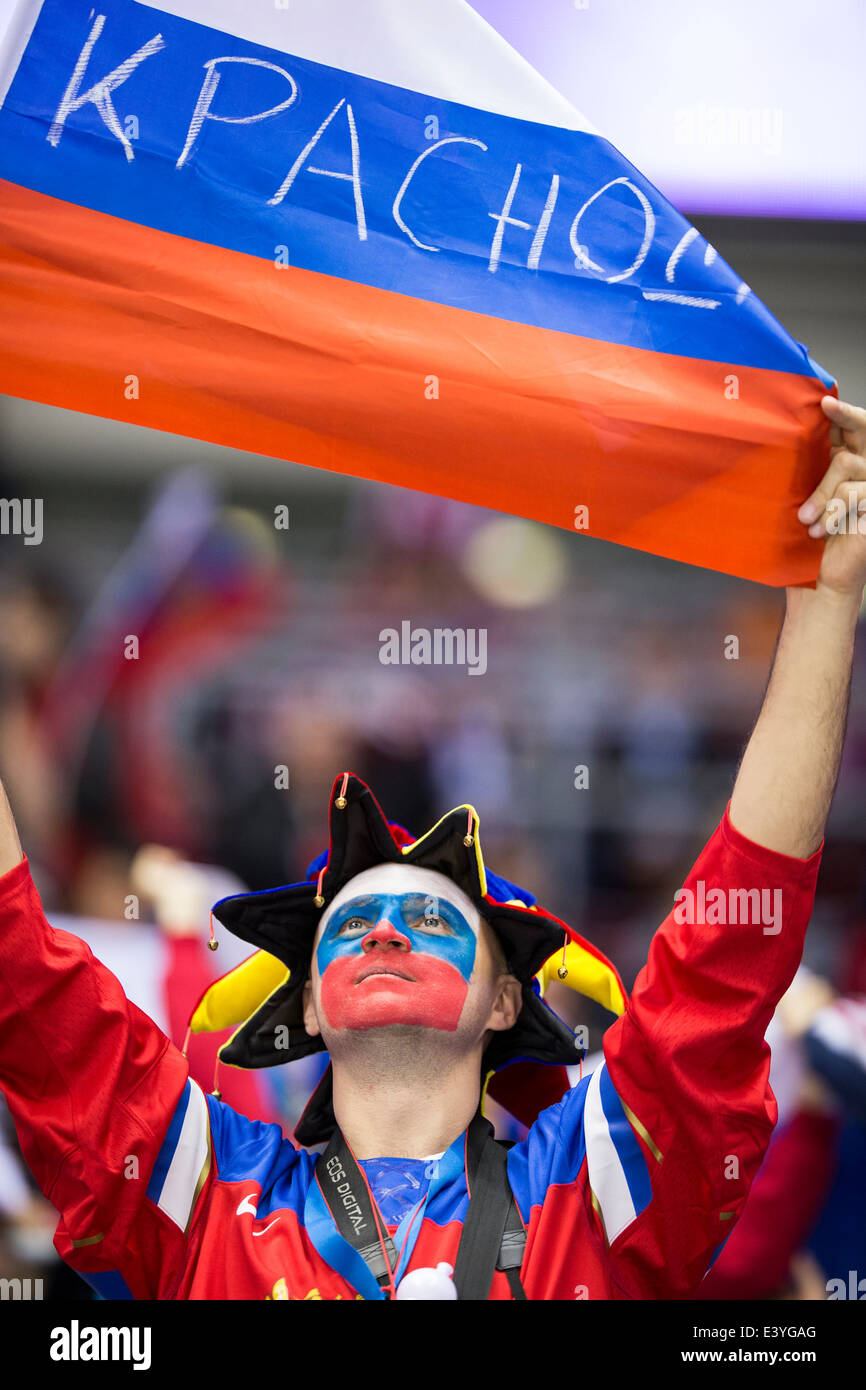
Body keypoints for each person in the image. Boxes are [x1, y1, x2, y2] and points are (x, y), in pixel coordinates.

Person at [0, 395, 864, 1301]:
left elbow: (734, 936)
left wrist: (829, 595)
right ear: (310, 1007)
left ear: (502, 1001)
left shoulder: (592, 1195)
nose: (382, 929)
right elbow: (22, 976)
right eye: (356, 919)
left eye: (425, 916)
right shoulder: (208, 1193)